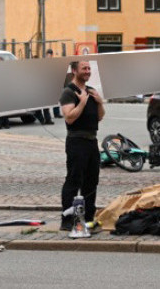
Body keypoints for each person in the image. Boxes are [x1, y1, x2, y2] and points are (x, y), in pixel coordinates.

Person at [59, 61, 105, 232]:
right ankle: (67, 219)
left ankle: (88, 217)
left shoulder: (91, 91)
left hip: (92, 141)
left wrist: (99, 102)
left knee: (92, 180)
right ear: (74, 71)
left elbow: (100, 117)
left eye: (89, 69)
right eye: (84, 69)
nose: (87, 71)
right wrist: (83, 103)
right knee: (74, 179)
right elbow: (69, 117)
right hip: (76, 141)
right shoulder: (69, 92)